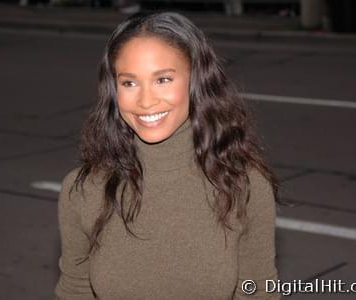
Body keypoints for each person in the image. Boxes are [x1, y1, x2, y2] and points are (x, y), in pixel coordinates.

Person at [55, 12, 280, 300]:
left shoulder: (244, 186)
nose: (146, 101)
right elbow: (75, 291)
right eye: (129, 83)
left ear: (197, 80)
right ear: (113, 90)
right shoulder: (85, 190)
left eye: (163, 79)